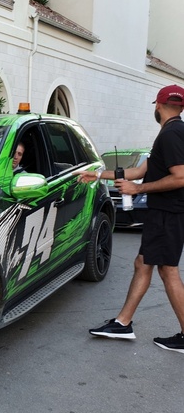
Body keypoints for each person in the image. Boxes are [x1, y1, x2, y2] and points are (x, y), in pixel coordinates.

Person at [76, 84, 184, 353]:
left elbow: (180, 177)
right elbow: (138, 170)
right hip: (167, 214)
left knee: (167, 270)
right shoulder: (172, 133)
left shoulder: (171, 134)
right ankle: (123, 323)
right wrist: (99, 175)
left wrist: (139, 189)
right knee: (143, 264)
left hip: (167, 214)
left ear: (158, 106)